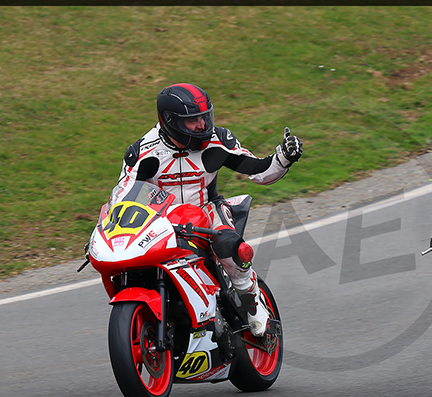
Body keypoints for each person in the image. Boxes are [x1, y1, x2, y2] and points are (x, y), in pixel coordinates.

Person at [108, 83, 303, 337]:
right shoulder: (142, 152)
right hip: (161, 221)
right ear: (170, 121)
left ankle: (252, 300)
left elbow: (258, 170)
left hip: (206, 211)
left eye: (204, 116)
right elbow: (122, 196)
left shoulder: (217, 141)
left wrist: (283, 158)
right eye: (193, 120)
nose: (202, 125)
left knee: (229, 243)